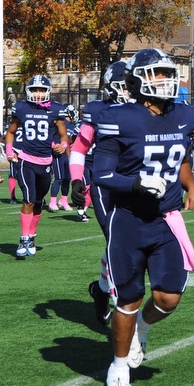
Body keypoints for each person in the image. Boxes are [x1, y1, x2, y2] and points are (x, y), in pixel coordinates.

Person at [90, 48, 194, 386]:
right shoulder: (120, 117)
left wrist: (192, 183)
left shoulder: (184, 114)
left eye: (168, 73)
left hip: (166, 219)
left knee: (169, 297)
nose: (165, 81)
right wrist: (136, 183)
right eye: (156, 74)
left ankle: (142, 326)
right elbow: (102, 173)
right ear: (138, 80)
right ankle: (119, 365)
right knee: (128, 297)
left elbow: (181, 152)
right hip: (129, 220)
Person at [70, 60, 131, 327]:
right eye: (126, 85)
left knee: (127, 244)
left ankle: (101, 289)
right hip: (106, 186)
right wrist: (75, 179)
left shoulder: (144, 110)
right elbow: (79, 147)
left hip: (136, 185)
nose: (131, 90)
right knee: (117, 241)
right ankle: (121, 306)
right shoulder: (98, 111)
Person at [4, 75, 69, 259]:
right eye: (34, 90)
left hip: (46, 162)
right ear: (28, 91)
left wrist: (61, 146)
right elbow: (10, 132)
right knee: (29, 200)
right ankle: (24, 238)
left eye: (41, 89)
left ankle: (32, 236)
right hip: (26, 161)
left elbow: (64, 136)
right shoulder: (22, 107)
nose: (38, 93)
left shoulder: (55, 109)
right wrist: (10, 151)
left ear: (47, 91)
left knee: (39, 202)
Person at [48, 104, 78, 212]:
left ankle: (63, 201)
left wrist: (70, 158)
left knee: (67, 178)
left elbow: (70, 142)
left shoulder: (72, 126)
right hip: (57, 153)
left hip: (66, 154)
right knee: (58, 178)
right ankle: (52, 202)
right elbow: (48, 135)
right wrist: (53, 146)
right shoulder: (58, 123)